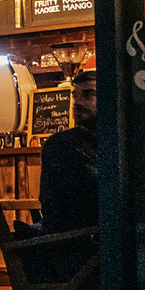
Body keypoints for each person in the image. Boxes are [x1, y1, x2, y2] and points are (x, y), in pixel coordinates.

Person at [38, 70, 99, 236]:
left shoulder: (95, 140)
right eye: (75, 96)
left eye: (87, 95)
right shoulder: (64, 144)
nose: (77, 103)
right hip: (77, 242)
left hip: (93, 235)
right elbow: (98, 191)